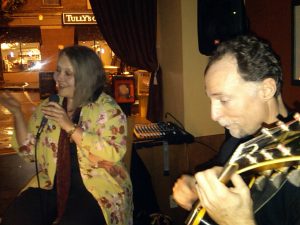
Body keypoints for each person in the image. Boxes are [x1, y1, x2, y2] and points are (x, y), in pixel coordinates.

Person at [172, 35, 300, 225]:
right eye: (211, 100)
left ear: (266, 90)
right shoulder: (239, 141)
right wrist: (196, 187)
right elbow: (218, 166)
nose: (214, 115)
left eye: (223, 100)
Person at [0, 45, 133, 225]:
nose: (58, 78)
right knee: (15, 218)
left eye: (67, 73)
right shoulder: (50, 106)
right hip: (52, 185)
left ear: (85, 76)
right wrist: (17, 114)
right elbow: (29, 152)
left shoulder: (107, 109)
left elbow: (113, 152)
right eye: (58, 70)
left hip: (97, 188)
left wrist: (70, 127)